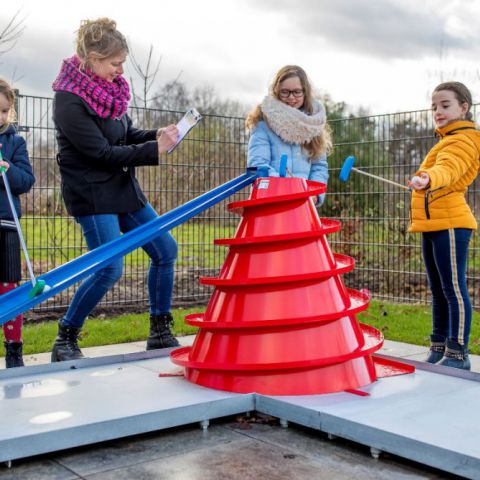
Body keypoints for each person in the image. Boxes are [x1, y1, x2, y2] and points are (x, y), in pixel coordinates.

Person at [50, 18, 180, 362]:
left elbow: (124, 134)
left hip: (122, 189)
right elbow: (101, 153)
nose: (121, 71)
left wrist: (157, 136)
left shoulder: (110, 91)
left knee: (165, 249)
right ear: (93, 59)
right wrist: (154, 150)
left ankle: (159, 331)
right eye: (115, 63)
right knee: (109, 268)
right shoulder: (68, 100)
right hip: (93, 194)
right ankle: (65, 338)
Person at [409, 81, 480, 370]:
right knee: (438, 289)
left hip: (451, 224)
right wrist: (425, 180)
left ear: (464, 107)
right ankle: (439, 347)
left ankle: (458, 354)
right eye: (434, 107)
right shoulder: (446, 139)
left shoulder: (463, 139)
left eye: (445, 105)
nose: (438, 111)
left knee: (453, 288)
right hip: (434, 222)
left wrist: (429, 178)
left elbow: (448, 168)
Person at [246, 65, 331, 204]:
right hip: (269, 202)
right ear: (276, 92)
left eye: (297, 92)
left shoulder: (313, 125)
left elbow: (319, 167)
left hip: (303, 204)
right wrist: (286, 189)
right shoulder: (263, 123)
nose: (291, 97)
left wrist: (315, 195)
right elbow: (258, 165)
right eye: (285, 92)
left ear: (305, 92)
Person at [0, 78, 35, 368]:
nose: (0, 117)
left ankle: (14, 350)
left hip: (7, 225)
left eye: (4, 111)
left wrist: (7, 169)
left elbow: (26, 181)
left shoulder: (15, 142)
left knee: (9, 286)